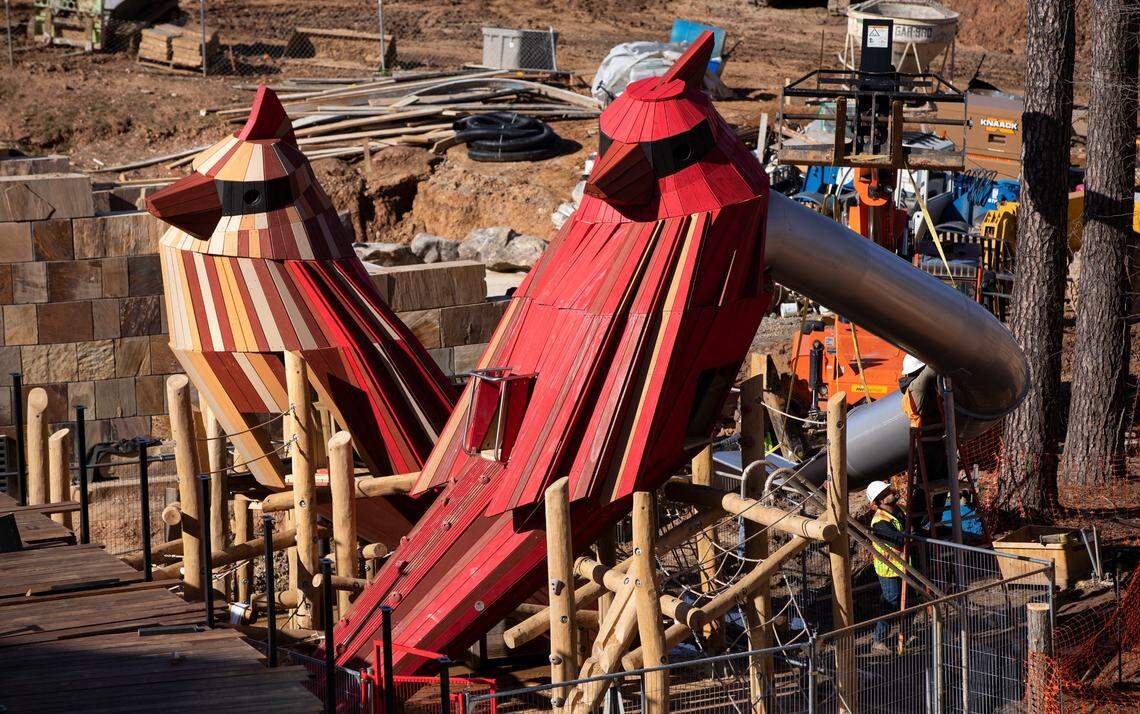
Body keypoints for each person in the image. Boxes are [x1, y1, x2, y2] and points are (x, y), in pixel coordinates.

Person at [867, 479, 907, 655]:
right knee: (890, 602)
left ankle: (906, 633)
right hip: (889, 569)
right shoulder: (879, 522)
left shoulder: (898, 511)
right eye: (886, 493)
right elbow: (898, 540)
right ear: (880, 501)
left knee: (907, 600)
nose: (892, 493)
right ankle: (878, 640)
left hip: (903, 565)